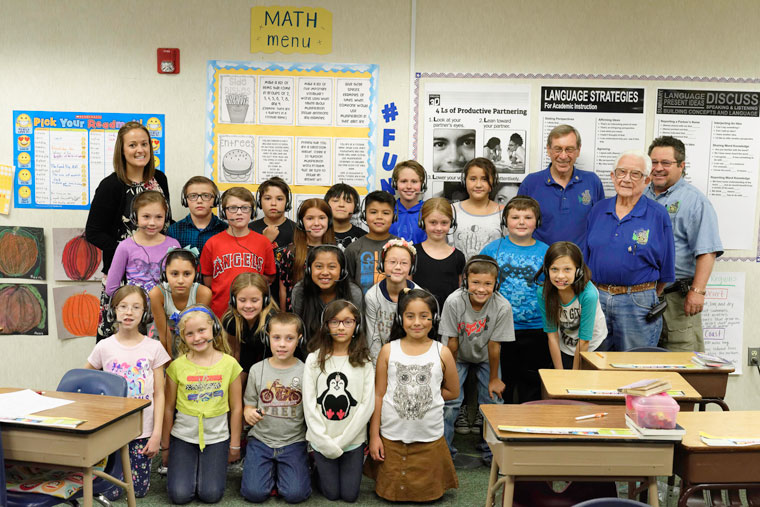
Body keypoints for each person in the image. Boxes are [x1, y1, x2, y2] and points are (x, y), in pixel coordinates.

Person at [366, 289, 459, 502]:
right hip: (392, 433)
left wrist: (428, 397)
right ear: (400, 318)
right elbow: (378, 394)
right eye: (410, 316)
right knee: (387, 494)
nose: (417, 322)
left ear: (434, 319)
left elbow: (453, 391)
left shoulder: (441, 352)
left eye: (424, 316)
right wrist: (374, 436)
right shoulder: (388, 351)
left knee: (430, 495)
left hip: (429, 435)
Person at [85, 121, 171, 341]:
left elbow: (166, 220)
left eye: (144, 144)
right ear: (122, 151)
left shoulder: (159, 179)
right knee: (119, 340)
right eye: (132, 145)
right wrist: (126, 251)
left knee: (156, 339)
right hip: (122, 275)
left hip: (156, 273)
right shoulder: (111, 185)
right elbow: (93, 231)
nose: (140, 150)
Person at [585, 150, 675, 351]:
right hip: (597, 297)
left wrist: (637, 291)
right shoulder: (598, 210)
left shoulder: (658, 215)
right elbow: (587, 258)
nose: (626, 179)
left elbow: (666, 270)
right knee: (595, 362)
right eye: (621, 172)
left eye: (635, 174)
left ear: (647, 180)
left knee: (635, 365)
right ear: (612, 176)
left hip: (637, 302)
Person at [86, 285, 170, 498]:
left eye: (135, 307)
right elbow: (83, 381)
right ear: (114, 310)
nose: (129, 312)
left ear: (145, 312)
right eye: (123, 306)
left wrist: (156, 434)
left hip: (142, 429)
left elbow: (159, 394)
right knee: (112, 492)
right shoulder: (104, 347)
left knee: (138, 491)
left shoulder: (154, 348)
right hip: (112, 430)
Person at [645, 136, 723, 352]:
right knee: (644, 361)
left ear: (681, 165)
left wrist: (698, 291)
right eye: (653, 162)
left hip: (677, 299)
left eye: (665, 163)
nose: (658, 168)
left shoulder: (694, 201)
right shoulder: (641, 195)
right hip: (644, 297)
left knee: (683, 361)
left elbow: (707, 250)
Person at [162, 305, 243, 504]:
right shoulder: (176, 367)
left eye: (201, 331)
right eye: (190, 333)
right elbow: (168, 408)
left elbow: (237, 408)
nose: (197, 338)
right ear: (182, 336)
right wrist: (165, 447)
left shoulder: (229, 364)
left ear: (213, 329)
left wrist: (234, 444)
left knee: (211, 495)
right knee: (179, 496)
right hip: (183, 437)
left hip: (217, 438)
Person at [440, 256, 514, 465]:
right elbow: (451, 342)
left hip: (486, 356)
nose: (481, 289)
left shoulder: (502, 306)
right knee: (450, 402)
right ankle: (444, 452)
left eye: (488, 284)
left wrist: (493, 379)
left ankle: (491, 452)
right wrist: (448, 377)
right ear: (465, 281)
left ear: (496, 284)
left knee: (493, 400)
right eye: (476, 283)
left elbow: (494, 346)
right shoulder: (454, 301)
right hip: (457, 355)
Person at [303, 300, 374, 502]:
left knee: (350, 496)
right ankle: (316, 467)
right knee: (332, 494)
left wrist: (342, 441)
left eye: (348, 321)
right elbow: (309, 404)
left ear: (357, 326)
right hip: (322, 439)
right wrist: (323, 440)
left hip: (352, 441)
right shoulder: (314, 359)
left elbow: (366, 405)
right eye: (334, 322)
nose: (341, 327)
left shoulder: (364, 361)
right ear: (326, 325)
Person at [481, 196, 551, 403]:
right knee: (504, 384)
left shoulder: (547, 252)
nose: (521, 222)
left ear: (537, 221)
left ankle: (529, 431)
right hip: (500, 330)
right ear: (505, 222)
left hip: (536, 329)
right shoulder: (492, 250)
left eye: (528, 217)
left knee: (532, 384)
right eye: (515, 217)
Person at [240, 313, 311, 503]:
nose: (282, 344)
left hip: (293, 442)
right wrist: (248, 412)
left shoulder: (306, 370)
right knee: (253, 494)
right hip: (261, 441)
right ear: (267, 337)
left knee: (296, 494)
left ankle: (288, 472)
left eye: (289, 338)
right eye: (276, 338)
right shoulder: (257, 369)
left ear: (299, 340)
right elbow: (249, 404)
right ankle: (269, 472)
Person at [517, 124, 605, 250]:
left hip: (581, 264)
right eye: (558, 149)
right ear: (548, 150)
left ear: (578, 151)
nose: (563, 156)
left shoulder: (592, 181)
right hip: (541, 264)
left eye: (569, 149)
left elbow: (600, 225)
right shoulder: (531, 183)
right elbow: (520, 228)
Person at [200, 187, 276, 318]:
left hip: (253, 314)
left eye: (245, 208)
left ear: (253, 212)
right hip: (220, 312)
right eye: (233, 208)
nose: (239, 213)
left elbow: (269, 277)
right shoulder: (212, 243)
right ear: (224, 213)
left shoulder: (263, 243)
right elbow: (207, 280)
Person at [536, 241, 607, 370]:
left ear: (578, 271)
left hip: (592, 346)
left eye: (567, 269)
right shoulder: (543, 292)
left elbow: (584, 340)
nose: (560, 276)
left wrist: (574, 375)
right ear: (547, 270)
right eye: (554, 269)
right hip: (566, 346)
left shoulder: (588, 294)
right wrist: (560, 373)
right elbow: (552, 335)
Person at [105, 190, 180, 298]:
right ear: (135, 217)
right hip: (136, 312)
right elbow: (111, 288)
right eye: (146, 216)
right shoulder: (125, 247)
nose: (152, 223)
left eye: (159, 217)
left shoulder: (173, 245)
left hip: (165, 311)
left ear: (166, 217)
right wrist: (131, 304)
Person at [291, 244, 363, 344]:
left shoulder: (354, 292)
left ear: (342, 271)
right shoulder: (300, 291)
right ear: (309, 270)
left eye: (332, 267)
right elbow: (299, 332)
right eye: (319, 266)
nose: (325, 272)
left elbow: (357, 333)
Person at [364, 239, 421, 364]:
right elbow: (373, 338)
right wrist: (378, 369)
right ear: (381, 265)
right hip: (383, 359)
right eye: (392, 262)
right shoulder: (372, 296)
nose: (397, 267)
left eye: (404, 263)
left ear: (412, 267)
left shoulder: (419, 295)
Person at [149, 247, 212, 359]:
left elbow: (196, 332)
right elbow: (164, 336)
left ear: (196, 275)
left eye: (187, 274)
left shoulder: (203, 294)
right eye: (174, 274)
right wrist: (169, 368)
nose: (180, 280)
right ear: (165, 275)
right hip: (165, 333)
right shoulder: (157, 294)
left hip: (190, 332)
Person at [221, 272, 280, 390]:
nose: (248, 306)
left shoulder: (273, 322)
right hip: (246, 363)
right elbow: (236, 358)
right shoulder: (231, 321)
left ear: (265, 300)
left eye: (254, 300)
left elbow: (278, 361)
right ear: (233, 300)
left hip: (273, 367)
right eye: (242, 300)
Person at [278, 198, 336, 311]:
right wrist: (283, 315)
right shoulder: (291, 252)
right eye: (310, 218)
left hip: (327, 314)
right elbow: (283, 289)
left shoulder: (336, 251)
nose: (316, 223)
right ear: (301, 222)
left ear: (329, 221)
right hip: (297, 315)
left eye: (322, 218)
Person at [412, 197, 466, 310]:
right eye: (433, 222)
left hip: (449, 317)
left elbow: (460, 292)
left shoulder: (458, 257)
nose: (439, 228)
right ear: (422, 222)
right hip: (419, 316)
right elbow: (407, 289)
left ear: (452, 223)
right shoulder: (412, 253)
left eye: (444, 223)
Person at [344, 190, 399, 294]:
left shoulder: (401, 246)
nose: (379, 217)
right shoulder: (353, 248)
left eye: (386, 213)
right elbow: (348, 286)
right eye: (373, 212)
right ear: (364, 215)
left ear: (394, 217)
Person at [451, 157, 504, 260]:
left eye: (484, 179)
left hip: (492, 274)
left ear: (493, 181)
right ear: (464, 180)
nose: (478, 185)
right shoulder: (452, 210)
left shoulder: (502, 212)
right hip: (459, 274)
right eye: (473, 179)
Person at [167, 176, 226, 262]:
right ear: (185, 200)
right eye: (193, 196)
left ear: (216, 200)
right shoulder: (174, 230)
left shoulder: (225, 230)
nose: (199, 201)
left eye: (206, 196)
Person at [389, 160, 427, 243]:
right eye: (403, 181)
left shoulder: (428, 211)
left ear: (422, 185)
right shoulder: (388, 211)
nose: (409, 186)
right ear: (395, 184)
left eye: (414, 181)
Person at [324, 183, 366, 250]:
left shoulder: (363, 237)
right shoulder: (318, 234)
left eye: (348, 201)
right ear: (326, 204)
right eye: (335, 200)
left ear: (355, 207)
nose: (341, 205)